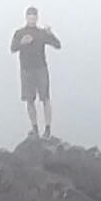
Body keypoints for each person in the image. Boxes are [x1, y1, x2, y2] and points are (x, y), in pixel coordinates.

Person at [9, 8, 62, 139]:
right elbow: (13, 48)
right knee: (29, 99)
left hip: (40, 69)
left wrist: (50, 34)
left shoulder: (41, 33)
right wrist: (22, 42)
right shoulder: (20, 33)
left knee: (45, 98)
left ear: (37, 18)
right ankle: (35, 128)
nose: (32, 20)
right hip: (26, 69)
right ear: (26, 18)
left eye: (34, 17)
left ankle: (48, 129)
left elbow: (58, 45)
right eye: (30, 17)